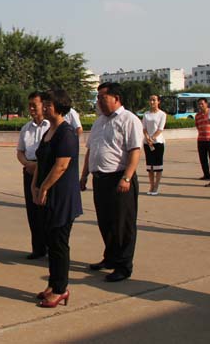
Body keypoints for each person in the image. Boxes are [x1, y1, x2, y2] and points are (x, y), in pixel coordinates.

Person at [80, 82, 143, 282]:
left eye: (102, 97)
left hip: (119, 178)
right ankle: (110, 258)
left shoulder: (129, 119)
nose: (99, 101)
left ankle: (123, 266)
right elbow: (90, 150)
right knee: (105, 222)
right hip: (100, 179)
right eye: (98, 97)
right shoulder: (99, 122)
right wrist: (84, 175)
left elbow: (135, 151)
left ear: (116, 98)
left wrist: (127, 177)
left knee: (122, 224)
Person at [32, 90, 82, 308]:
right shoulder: (48, 131)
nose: (44, 107)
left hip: (62, 197)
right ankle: (53, 284)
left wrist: (44, 186)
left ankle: (61, 289)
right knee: (51, 242)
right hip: (46, 194)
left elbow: (61, 165)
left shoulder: (66, 133)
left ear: (60, 107)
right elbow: (41, 161)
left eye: (48, 104)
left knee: (59, 243)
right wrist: (35, 185)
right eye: (44, 104)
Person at [16, 92, 50, 259]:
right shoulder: (26, 128)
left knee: (47, 210)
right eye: (29, 105)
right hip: (29, 170)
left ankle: (51, 247)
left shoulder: (51, 127)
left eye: (34, 105)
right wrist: (27, 164)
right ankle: (38, 248)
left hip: (46, 172)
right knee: (33, 210)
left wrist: (39, 166)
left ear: (43, 105)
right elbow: (20, 151)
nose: (31, 109)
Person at [142, 95, 167, 195]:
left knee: (158, 166)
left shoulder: (162, 114)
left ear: (158, 101)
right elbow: (144, 128)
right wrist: (147, 138)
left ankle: (156, 186)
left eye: (154, 100)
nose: (152, 102)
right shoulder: (146, 114)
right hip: (147, 143)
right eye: (150, 100)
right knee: (150, 167)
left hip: (158, 142)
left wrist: (153, 138)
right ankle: (151, 186)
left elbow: (160, 129)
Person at [194, 98, 210, 180]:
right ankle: (206, 174)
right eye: (199, 104)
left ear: (206, 104)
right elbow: (197, 126)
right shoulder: (197, 115)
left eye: (202, 104)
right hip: (201, 140)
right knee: (203, 159)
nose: (200, 106)